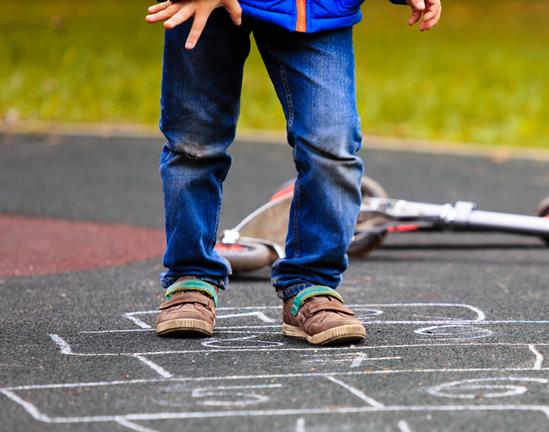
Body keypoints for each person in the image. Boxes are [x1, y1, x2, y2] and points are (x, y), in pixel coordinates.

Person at [145, 0, 442, 345]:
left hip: (315, 10)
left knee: (332, 144)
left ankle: (311, 283)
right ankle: (190, 275)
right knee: (195, 144)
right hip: (204, 9)